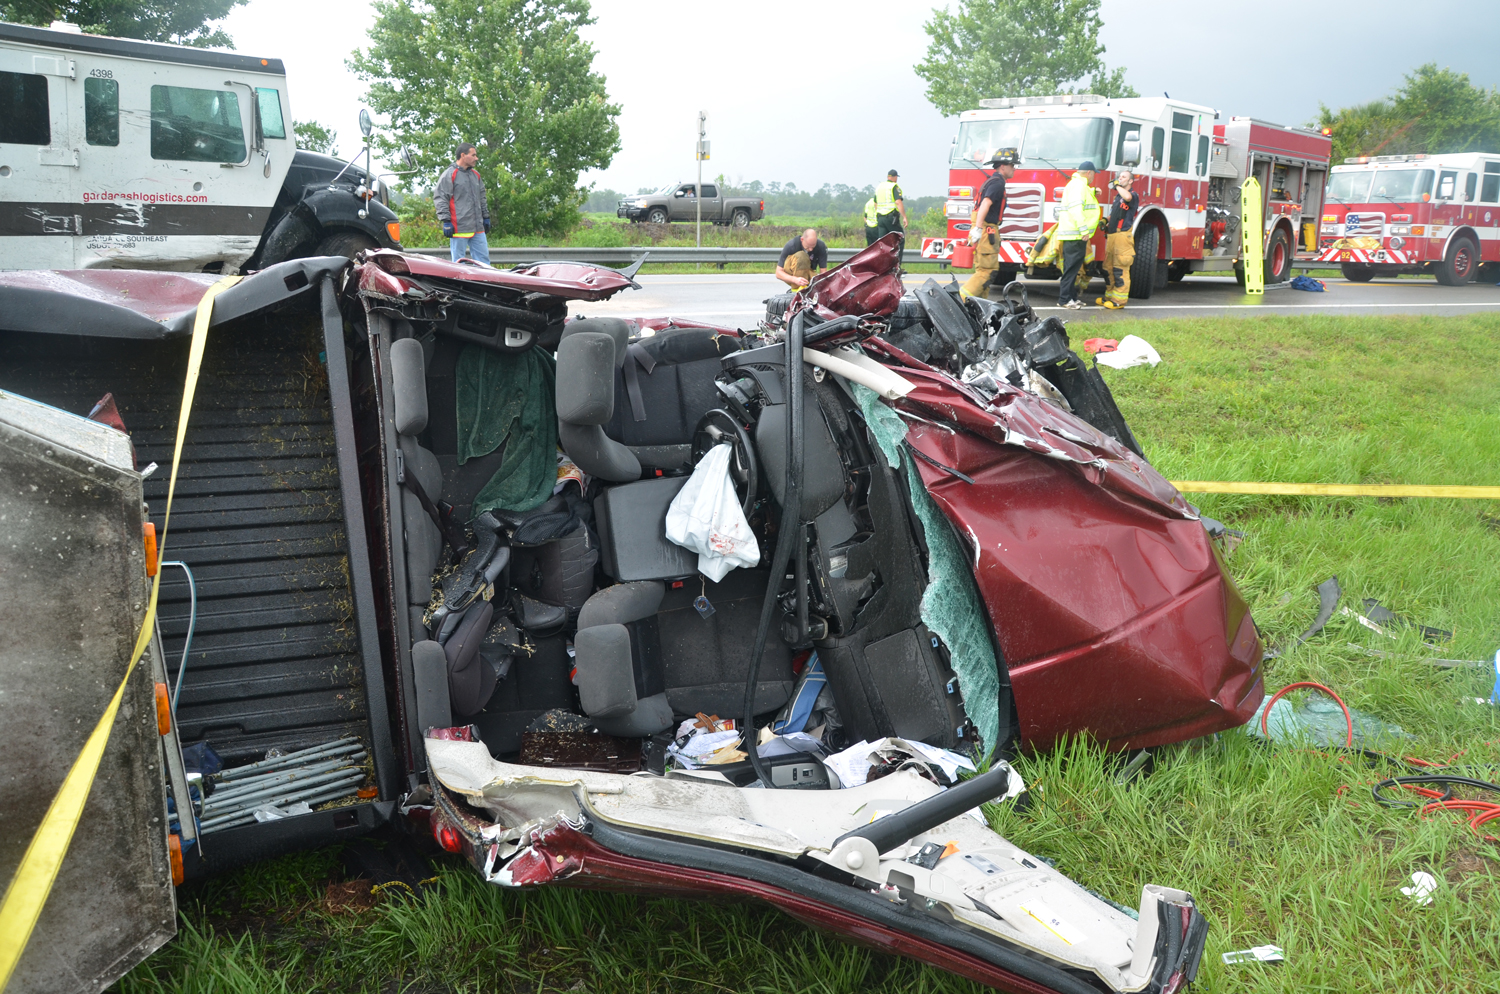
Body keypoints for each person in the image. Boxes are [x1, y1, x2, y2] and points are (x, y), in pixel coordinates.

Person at [961, 147, 1018, 300]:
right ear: (1003, 166)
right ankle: (959, 300)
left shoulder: (992, 181)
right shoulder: (998, 184)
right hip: (987, 231)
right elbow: (985, 203)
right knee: (987, 272)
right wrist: (979, 228)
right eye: (1012, 165)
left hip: (985, 230)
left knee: (984, 271)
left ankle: (980, 308)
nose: (1014, 169)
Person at [435, 142, 491, 265]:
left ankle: (484, 284)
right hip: (458, 227)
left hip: (478, 228)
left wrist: (485, 217)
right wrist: (446, 221)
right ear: (463, 155)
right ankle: (460, 285)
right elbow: (441, 198)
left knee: (484, 263)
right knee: (458, 264)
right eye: (473, 155)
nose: (476, 158)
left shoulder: (476, 175)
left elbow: (482, 198)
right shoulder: (449, 174)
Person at [1055, 160, 1101, 309]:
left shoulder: (1079, 185)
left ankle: (1072, 298)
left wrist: (1094, 191)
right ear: (1089, 173)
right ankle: (1064, 299)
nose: (1094, 177)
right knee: (1070, 269)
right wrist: (1083, 229)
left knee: (1074, 268)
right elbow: (1076, 208)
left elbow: (1081, 198)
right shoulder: (1078, 185)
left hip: (1074, 235)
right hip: (1075, 234)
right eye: (1094, 174)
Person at [1095, 171, 1138, 309]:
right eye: (1119, 177)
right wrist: (1105, 220)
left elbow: (1128, 197)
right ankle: (1110, 296)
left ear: (1130, 181)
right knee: (1108, 268)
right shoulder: (1118, 197)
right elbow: (1115, 214)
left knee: (1120, 268)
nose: (1120, 179)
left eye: (1124, 177)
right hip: (1113, 236)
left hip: (1123, 236)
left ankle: (1119, 301)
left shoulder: (1132, 195)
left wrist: (1116, 185)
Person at [874, 170, 907, 238]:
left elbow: (875, 203)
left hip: (880, 218)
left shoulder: (879, 186)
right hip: (891, 217)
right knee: (899, 237)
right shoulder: (893, 186)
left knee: (883, 241)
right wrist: (904, 217)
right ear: (895, 177)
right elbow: (898, 202)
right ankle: (898, 249)